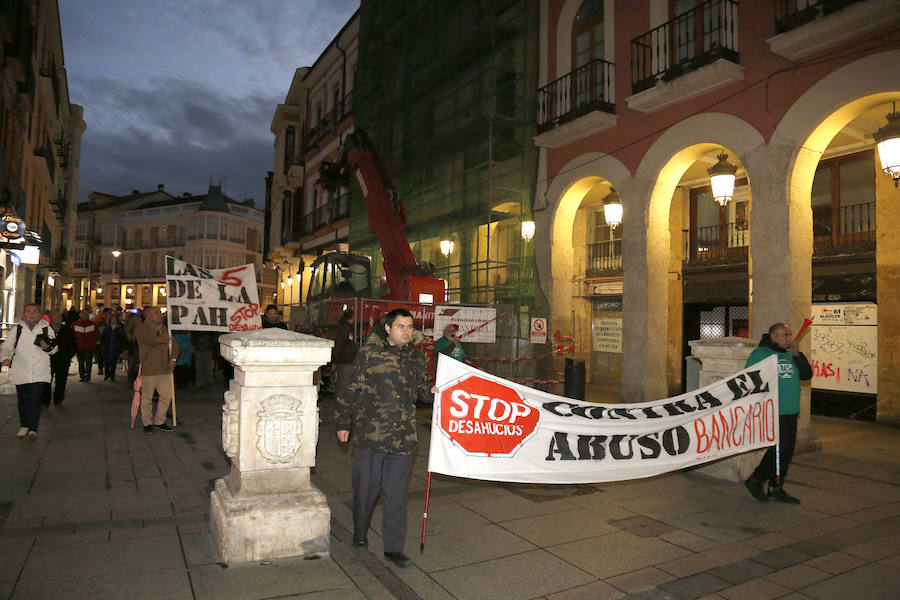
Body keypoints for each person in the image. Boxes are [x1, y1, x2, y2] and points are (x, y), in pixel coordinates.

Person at [335, 308, 435, 568]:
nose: (407, 331)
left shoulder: (416, 357)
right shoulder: (370, 354)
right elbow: (350, 388)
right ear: (388, 328)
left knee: (396, 495)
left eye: (410, 327)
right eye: (401, 326)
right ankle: (360, 533)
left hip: (403, 438)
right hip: (371, 436)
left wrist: (434, 390)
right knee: (366, 491)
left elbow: (421, 391)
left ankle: (393, 548)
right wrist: (343, 421)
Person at [744, 322, 813, 504]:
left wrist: (797, 354)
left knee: (786, 452)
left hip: (791, 410)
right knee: (779, 450)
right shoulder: (761, 354)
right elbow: (749, 379)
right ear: (773, 336)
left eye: (790, 335)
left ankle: (776, 488)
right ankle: (756, 479)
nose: (789, 339)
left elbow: (806, 375)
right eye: (785, 335)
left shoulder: (792, 354)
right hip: (773, 410)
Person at [1, 303, 58, 439]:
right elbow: (6, 347)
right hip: (21, 369)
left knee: (35, 399)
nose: (31, 314)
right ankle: (24, 425)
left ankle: (33, 428)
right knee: (23, 399)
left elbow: (55, 348)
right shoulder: (17, 329)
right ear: (24, 314)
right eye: (28, 311)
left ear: (40, 314)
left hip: (39, 371)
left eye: (34, 311)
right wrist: (5, 358)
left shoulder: (46, 328)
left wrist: (47, 347)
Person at [135, 306, 180, 433]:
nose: (160, 314)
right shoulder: (142, 328)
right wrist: (161, 338)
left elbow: (174, 346)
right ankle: (147, 422)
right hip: (149, 368)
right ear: (148, 315)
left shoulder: (164, 328)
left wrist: (173, 359)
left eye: (160, 312)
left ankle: (160, 420)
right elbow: (147, 340)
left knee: (166, 395)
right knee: (147, 397)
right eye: (156, 312)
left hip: (165, 368)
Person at [44, 309, 77, 406]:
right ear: (50, 318)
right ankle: (45, 401)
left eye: (59, 316)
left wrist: (69, 356)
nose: (58, 318)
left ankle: (58, 400)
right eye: (55, 316)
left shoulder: (67, 330)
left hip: (63, 360)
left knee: (61, 381)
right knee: (46, 381)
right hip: (48, 361)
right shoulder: (45, 330)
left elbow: (73, 344)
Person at [331, 309, 358, 393]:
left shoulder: (344, 328)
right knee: (344, 383)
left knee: (343, 382)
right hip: (345, 359)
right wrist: (335, 361)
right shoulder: (346, 329)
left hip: (345, 359)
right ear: (351, 317)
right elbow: (340, 345)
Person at [73, 309, 100, 382]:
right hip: (79, 347)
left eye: (86, 315)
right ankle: (82, 376)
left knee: (88, 362)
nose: (85, 316)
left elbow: (97, 334)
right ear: (80, 315)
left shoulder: (93, 324)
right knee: (80, 362)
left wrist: (92, 342)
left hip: (89, 347)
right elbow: (71, 335)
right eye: (84, 315)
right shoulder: (75, 324)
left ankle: (88, 376)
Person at [99, 312, 127, 381]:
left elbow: (122, 338)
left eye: (115, 319)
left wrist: (121, 347)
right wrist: (103, 346)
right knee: (106, 362)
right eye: (112, 319)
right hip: (107, 347)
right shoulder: (107, 328)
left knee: (113, 363)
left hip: (115, 347)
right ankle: (107, 374)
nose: (113, 321)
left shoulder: (120, 328)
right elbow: (103, 338)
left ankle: (112, 375)